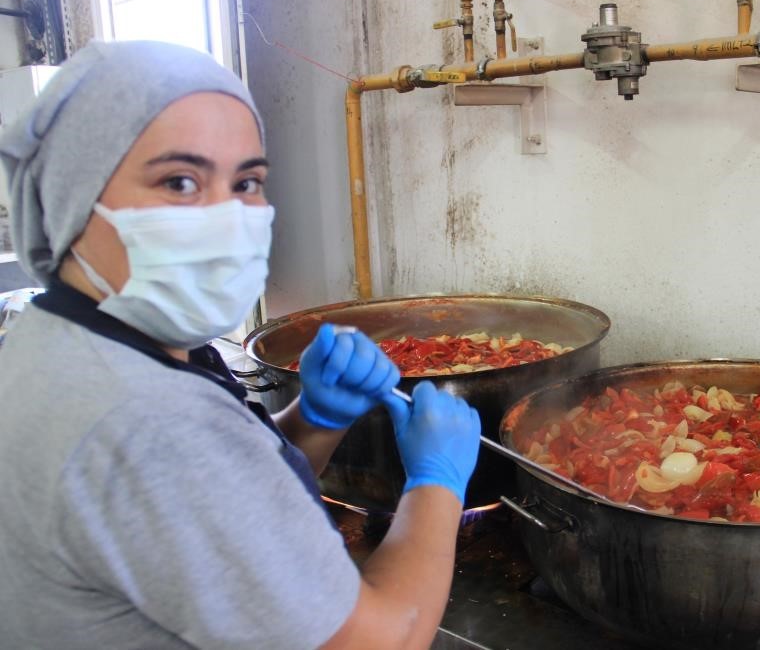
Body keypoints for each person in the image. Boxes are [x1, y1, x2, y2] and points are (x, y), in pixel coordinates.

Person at [0, 40, 481, 649]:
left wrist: (314, 418)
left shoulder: (61, 341)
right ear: (73, 196)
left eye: (247, 181)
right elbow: (381, 640)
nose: (228, 219)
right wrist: (437, 484)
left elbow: (220, 507)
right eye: (179, 181)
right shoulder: (147, 422)